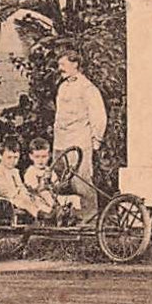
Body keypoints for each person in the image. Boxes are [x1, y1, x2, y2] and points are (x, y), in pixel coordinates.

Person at [52, 49, 106, 214]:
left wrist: (96, 140)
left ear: (75, 64)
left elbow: (99, 115)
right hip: (60, 141)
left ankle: (90, 218)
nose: (60, 68)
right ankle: (67, 215)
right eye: (59, 64)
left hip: (79, 141)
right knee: (60, 180)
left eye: (63, 64)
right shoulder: (62, 87)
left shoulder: (87, 88)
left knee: (82, 180)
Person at [0, 140, 47, 219]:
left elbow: (21, 186)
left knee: (34, 198)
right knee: (22, 202)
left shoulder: (14, 171)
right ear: (0, 156)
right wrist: (21, 195)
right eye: (9, 157)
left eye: (16, 157)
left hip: (12, 198)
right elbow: (5, 192)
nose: (12, 161)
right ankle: (40, 215)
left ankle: (48, 212)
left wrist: (26, 194)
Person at [22, 137, 81, 222]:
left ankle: (73, 219)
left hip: (53, 197)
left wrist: (62, 184)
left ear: (49, 155)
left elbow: (56, 187)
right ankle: (58, 214)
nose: (40, 160)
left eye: (44, 156)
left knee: (75, 198)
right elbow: (36, 190)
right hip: (38, 200)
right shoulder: (30, 172)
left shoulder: (50, 170)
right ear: (31, 156)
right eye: (37, 157)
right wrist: (45, 180)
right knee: (45, 194)